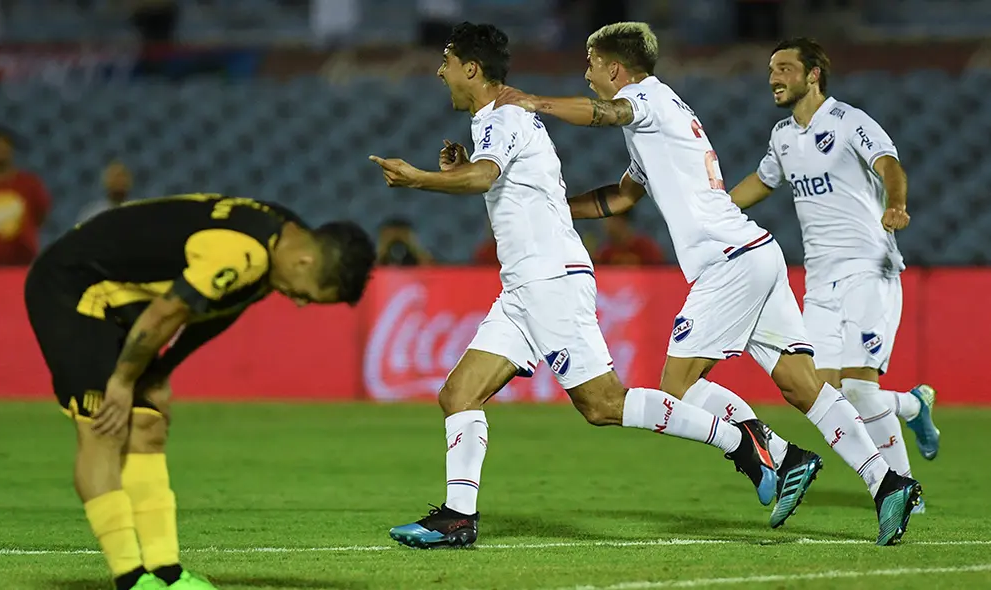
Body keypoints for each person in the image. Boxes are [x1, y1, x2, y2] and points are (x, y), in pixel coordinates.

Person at [494, 21, 920, 545]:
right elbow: (622, 197)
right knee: (802, 385)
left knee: (676, 386)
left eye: (590, 64)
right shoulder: (655, 121)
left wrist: (535, 102)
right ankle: (888, 482)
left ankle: (778, 456)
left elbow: (607, 113)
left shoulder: (645, 98)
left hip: (730, 261)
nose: (585, 74)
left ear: (615, 69)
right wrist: (554, 206)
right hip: (754, 252)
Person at [369, 21, 778, 550]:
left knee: (603, 404)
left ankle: (743, 444)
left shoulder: (504, 114)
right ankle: (457, 518)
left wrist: (418, 177)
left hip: (550, 280)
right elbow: (501, 182)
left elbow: (487, 178)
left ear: (471, 69)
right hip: (524, 285)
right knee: (459, 393)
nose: (438, 71)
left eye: (445, 61)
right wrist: (463, 170)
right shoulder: (495, 122)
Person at [24, 194, 375, 589]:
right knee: (104, 426)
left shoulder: (281, 241)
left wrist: (162, 370)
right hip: (74, 287)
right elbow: (167, 313)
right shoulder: (241, 252)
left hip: (125, 297)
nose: (297, 303)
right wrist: (122, 382)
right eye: (306, 294)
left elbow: (213, 312)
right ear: (305, 262)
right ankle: (130, 577)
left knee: (148, 426)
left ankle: (166, 572)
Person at [728, 38, 940, 513]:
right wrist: (714, 210)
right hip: (820, 279)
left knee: (860, 388)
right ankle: (911, 405)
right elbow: (763, 181)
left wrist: (897, 205)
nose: (774, 77)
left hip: (868, 265)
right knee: (823, 392)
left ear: (813, 74)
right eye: (771, 69)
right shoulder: (782, 135)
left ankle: (903, 488)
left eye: (784, 68)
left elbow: (889, 165)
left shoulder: (849, 122)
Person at [0, 128, 51, 265]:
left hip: (23, 262)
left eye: (4, 146)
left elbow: (41, 215)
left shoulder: (29, 183)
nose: (0, 151)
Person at [595, 209, 664, 266]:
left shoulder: (647, 248)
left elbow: (658, 274)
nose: (605, 224)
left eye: (608, 219)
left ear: (621, 219)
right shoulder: (604, 253)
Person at [77, 160, 134, 224]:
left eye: (123, 177)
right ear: (106, 181)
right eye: (115, 177)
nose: (119, 181)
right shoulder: (93, 215)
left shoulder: (137, 213)